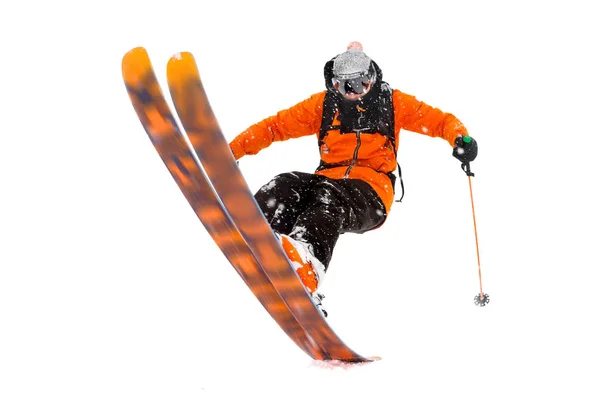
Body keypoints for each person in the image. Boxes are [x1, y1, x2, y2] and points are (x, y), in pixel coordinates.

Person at [229, 42, 478, 315]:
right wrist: (232, 150)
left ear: (371, 77)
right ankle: (257, 231)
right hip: (328, 178)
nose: (352, 94)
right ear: (333, 84)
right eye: (343, 86)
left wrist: (459, 138)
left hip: (371, 193)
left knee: (327, 200)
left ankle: (306, 265)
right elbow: (275, 126)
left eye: (359, 85)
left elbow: (440, 121)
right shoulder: (324, 105)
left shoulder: (391, 103)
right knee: (286, 183)